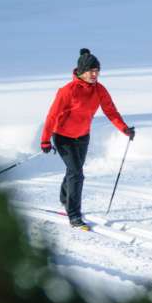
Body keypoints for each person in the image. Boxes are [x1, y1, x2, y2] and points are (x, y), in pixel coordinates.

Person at [41, 48, 135, 230]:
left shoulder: (99, 90)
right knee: (77, 174)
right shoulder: (67, 91)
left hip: (82, 136)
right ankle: (74, 215)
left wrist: (124, 128)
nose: (94, 74)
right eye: (91, 71)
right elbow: (51, 116)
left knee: (73, 170)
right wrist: (45, 140)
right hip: (63, 137)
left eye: (97, 71)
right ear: (81, 72)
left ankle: (64, 198)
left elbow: (110, 111)